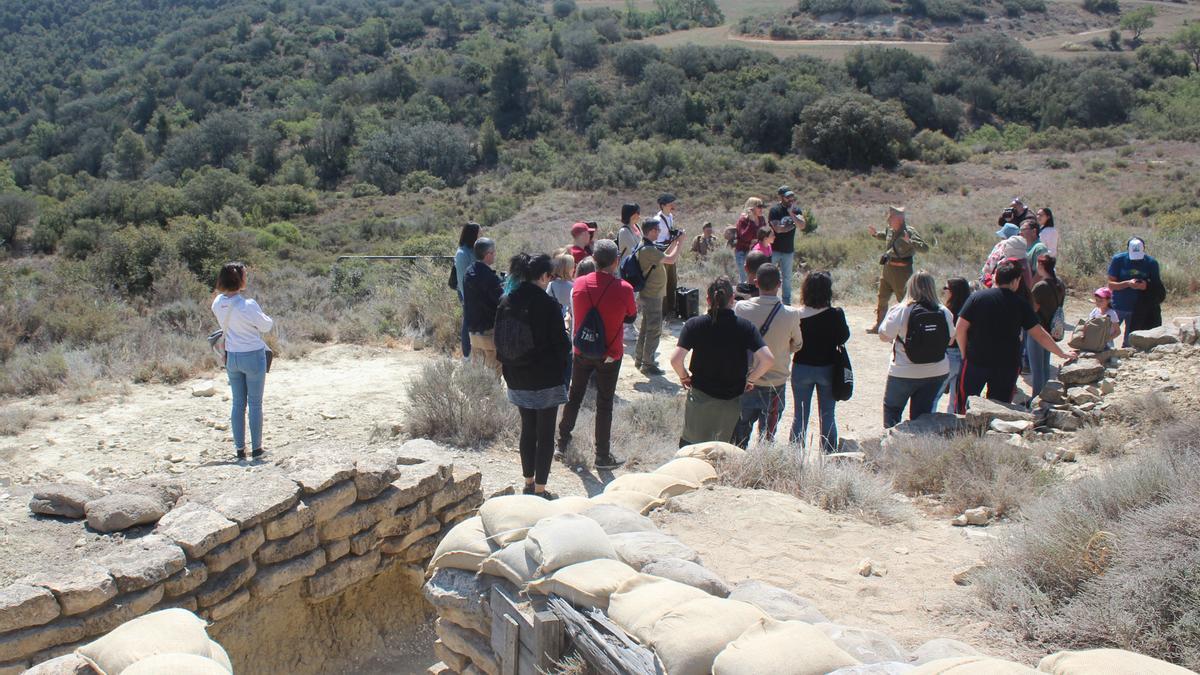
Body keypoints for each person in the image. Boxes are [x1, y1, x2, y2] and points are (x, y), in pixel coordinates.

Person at [497, 254, 571, 499]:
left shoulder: (506, 299)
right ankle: (540, 490)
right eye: (549, 275)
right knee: (545, 433)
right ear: (542, 276)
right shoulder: (548, 304)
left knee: (527, 429)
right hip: (545, 378)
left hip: (516, 376)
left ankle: (528, 483)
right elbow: (562, 345)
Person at [955, 261, 1077, 408]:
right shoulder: (1021, 304)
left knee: (963, 405)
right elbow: (1039, 334)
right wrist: (1061, 353)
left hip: (976, 360)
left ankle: (962, 431)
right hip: (1006, 364)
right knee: (999, 408)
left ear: (996, 278)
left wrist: (964, 354)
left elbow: (960, 328)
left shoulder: (978, 298)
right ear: (1016, 281)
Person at [558, 240, 635, 470]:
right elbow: (631, 317)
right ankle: (602, 456)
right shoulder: (624, 289)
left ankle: (561, 443)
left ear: (593, 260)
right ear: (616, 261)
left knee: (575, 395)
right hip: (610, 353)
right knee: (604, 403)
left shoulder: (579, 283)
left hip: (582, 349)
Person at [670, 276, 774, 446]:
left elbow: (675, 359)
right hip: (731, 402)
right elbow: (767, 359)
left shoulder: (694, 325)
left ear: (708, 300)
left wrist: (684, 377)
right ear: (732, 300)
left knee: (692, 450)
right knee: (722, 453)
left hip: (700, 399)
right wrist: (751, 379)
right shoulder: (745, 327)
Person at [733, 264, 803, 447]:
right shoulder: (791, 314)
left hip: (747, 381)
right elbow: (798, 344)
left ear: (756, 282)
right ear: (779, 284)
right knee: (767, 439)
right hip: (775, 383)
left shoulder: (741, 308)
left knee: (740, 434)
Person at [212, 262, 274, 461]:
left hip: (232, 357)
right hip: (253, 356)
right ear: (240, 279)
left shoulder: (217, 303)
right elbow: (266, 326)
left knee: (238, 403)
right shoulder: (248, 305)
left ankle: (240, 450)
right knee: (255, 404)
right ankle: (257, 449)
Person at [878, 272, 955, 429]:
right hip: (936, 371)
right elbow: (950, 339)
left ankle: (891, 447)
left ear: (910, 287)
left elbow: (884, 336)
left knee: (892, 410)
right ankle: (918, 447)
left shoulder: (900, 310)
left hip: (903, 371)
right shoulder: (943, 311)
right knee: (922, 416)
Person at [790, 271, 849, 452]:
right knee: (827, 414)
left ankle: (794, 454)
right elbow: (843, 337)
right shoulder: (836, 314)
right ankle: (829, 454)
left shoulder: (796, 315)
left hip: (801, 368)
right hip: (828, 369)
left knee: (800, 415)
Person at [869, 206, 928, 334]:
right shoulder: (891, 230)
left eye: (891, 217)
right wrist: (875, 234)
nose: (888, 219)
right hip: (887, 270)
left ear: (900, 219)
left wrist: (910, 241)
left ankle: (909, 326)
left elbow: (924, 248)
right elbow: (886, 236)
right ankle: (879, 324)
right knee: (882, 297)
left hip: (902, 273)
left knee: (905, 300)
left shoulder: (909, 232)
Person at [634, 217, 682, 376]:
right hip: (652, 295)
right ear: (651, 231)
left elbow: (663, 256)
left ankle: (640, 359)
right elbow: (671, 259)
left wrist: (674, 242)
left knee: (646, 328)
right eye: (657, 229)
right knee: (654, 330)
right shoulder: (648, 249)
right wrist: (680, 243)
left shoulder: (647, 246)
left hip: (650, 293)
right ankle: (648, 364)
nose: (659, 232)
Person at [1107, 237, 1161, 347]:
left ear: (1144, 249)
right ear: (1128, 249)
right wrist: (1127, 283)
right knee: (1108, 335)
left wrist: (1145, 286)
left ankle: (1126, 358)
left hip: (1138, 309)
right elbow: (1111, 285)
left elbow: (1157, 287)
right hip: (1118, 305)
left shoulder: (1151, 263)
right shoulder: (1118, 260)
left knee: (1130, 341)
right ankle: (1108, 354)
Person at [1028, 256, 1066, 398]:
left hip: (1038, 329)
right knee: (1044, 366)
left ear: (1041, 265)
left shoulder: (1040, 286)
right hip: (1051, 329)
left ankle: (1036, 399)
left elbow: (1033, 308)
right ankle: (1044, 397)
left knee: (1037, 369)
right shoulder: (1060, 284)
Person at [463, 237, 503, 371]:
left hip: (473, 330)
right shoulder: (488, 276)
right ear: (488, 254)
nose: (495, 255)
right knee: (494, 373)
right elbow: (501, 300)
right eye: (494, 252)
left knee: (478, 373)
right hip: (489, 330)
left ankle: (477, 393)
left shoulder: (469, 272)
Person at [935, 277, 972, 414]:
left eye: (946, 288)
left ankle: (927, 424)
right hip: (964, 355)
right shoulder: (969, 309)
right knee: (956, 398)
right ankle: (952, 426)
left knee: (935, 395)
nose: (944, 291)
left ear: (953, 292)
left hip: (948, 355)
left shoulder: (945, 311)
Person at [768, 187, 805, 304]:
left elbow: (802, 225)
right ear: (781, 197)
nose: (790, 199)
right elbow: (778, 229)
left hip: (788, 250)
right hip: (774, 249)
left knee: (787, 278)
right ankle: (769, 300)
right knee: (770, 275)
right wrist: (793, 225)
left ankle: (786, 302)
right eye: (787, 197)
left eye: (791, 196)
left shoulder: (796, 210)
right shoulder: (775, 210)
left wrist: (791, 214)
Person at [454, 222, 482, 358]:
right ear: (473, 234)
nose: (481, 235)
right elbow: (461, 279)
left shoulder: (473, 250)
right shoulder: (462, 254)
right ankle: (466, 354)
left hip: (475, 293)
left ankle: (475, 352)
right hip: (466, 294)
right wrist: (467, 299)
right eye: (479, 233)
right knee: (467, 322)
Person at [654, 194, 682, 319]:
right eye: (670, 204)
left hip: (670, 251)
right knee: (663, 283)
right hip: (662, 254)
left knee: (672, 281)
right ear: (663, 205)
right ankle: (663, 312)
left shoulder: (670, 216)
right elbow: (657, 242)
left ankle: (671, 308)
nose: (672, 206)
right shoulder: (658, 220)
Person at [617, 203, 642, 342]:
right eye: (637, 213)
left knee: (634, 297)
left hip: (637, 268)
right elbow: (635, 249)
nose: (639, 215)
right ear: (631, 214)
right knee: (629, 297)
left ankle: (630, 325)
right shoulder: (624, 231)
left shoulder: (636, 227)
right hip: (628, 269)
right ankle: (626, 327)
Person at [734, 197, 766, 283]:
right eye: (759, 206)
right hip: (743, 252)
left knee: (757, 277)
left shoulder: (761, 219)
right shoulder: (743, 220)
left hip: (756, 251)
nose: (761, 209)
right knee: (745, 279)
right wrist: (751, 222)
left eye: (762, 206)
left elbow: (764, 233)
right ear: (751, 208)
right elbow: (745, 236)